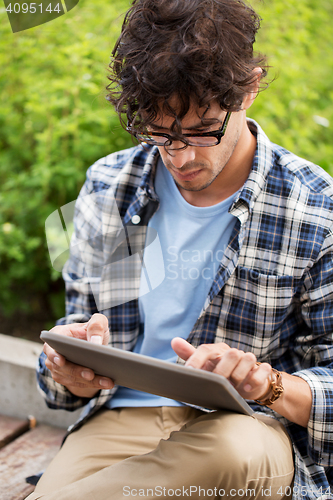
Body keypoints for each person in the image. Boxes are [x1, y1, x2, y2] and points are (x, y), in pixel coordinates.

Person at [28, 0, 333, 498]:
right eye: (159, 132)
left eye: (201, 129)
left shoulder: (315, 209)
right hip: (120, 419)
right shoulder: (110, 187)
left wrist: (268, 384)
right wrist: (70, 368)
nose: (180, 156)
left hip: (246, 428)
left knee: (230, 452)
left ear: (250, 88)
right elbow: (61, 372)